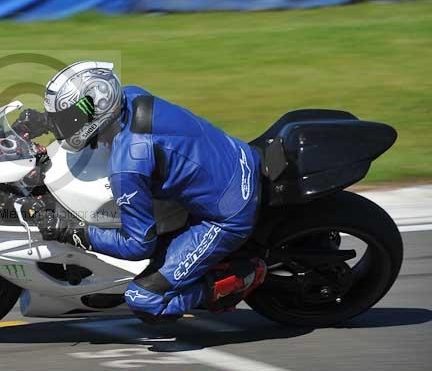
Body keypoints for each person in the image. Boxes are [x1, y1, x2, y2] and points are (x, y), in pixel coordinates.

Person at [13, 61, 266, 322]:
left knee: (145, 300)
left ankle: (241, 279)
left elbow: (138, 246)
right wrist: (46, 122)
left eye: (66, 119)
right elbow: (88, 119)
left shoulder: (129, 164)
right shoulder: (131, 96)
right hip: (238, 156)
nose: (65, 125)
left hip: (228, 213)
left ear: (99, 108)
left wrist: (72, 232)